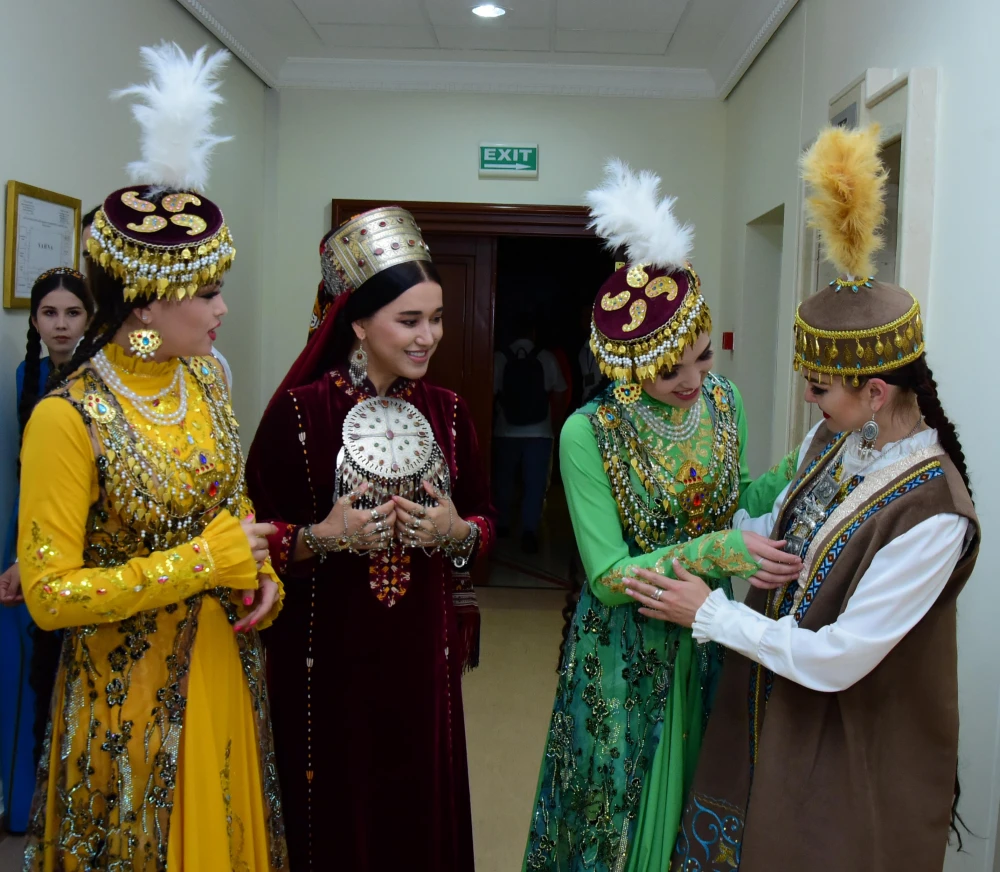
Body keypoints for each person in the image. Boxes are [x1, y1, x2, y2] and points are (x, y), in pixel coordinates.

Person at [624, 126, 979, 872]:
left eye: (819, 390)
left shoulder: (933, 511)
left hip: (845, 737)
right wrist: (720, 544)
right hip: (767, 703)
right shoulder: (835, 443)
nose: (811, 405)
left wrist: (713, 614)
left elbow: (840, 658)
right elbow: (777, 523)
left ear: (876, 391)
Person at [18, 43, 287, 869]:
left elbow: (230, 506)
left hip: (221, 668)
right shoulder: (67, 418)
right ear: (145, 303)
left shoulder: (204, 382)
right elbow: (49, 596)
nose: (221, 308)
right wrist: (199, 562)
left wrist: (258, 573)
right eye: (206, 292)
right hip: (120, 698)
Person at [523, 160, 802, 872]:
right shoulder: (591, 432)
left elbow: (739, 497)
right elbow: (610, 575)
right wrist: (722, 552)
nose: (690, 382)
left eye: (703, 359)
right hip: (623, 649)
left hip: (707, 631)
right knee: (617, 813)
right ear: (627, 361)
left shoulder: (724, 402)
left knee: (703, 803)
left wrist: (806, 462)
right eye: (668, 369)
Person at [247, 206, 496, 871]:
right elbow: (254, 540)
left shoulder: (447, 414)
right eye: (409, 320)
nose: (429, 337)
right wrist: (322, 538)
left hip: (424, 655)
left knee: (417, 802)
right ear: (357, 324)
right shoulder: (299, 415)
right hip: (326, 657)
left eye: (437, 318)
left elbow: (484, 520)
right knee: (338, 804)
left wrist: (456, 531)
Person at [0, 268, 93, 834]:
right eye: (49, 314)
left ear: (90, 317)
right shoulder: (26, 376)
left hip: (83, 541)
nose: (60, 325)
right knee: (31, 672)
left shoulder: (98, 381)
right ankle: (32, 803)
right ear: (34, 321)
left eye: (73, 313)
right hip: (28, 531)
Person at [493, 312, 568, 553]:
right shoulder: (545, 357)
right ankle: (529, 531)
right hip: (540, 432)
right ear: (533, 333)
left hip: (505, 430)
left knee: (503, 480)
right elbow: (559, 391)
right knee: (535, 483)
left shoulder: (499, 358)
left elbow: (489, 392)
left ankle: (502, 525)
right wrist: (552, 419)